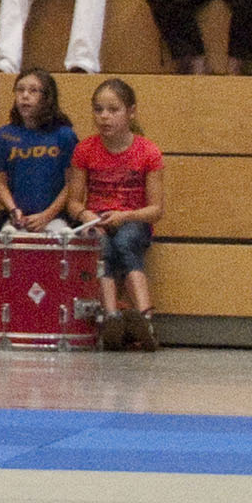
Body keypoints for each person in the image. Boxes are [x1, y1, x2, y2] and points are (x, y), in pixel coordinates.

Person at [67, 78, 164, 351]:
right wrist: (86, 214)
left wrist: (125, 216)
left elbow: (156, 210)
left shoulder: (148, 151)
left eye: (113, 110)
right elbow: (74, 202)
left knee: (125, 242)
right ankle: (111, 318)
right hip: (97, 221)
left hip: (132, 220)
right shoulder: (85, 149)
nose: (104, 117)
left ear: (130, 112)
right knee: (102, 246)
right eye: (99, 110)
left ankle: (145, 318)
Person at [0, 69, 78, 233]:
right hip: (18, 218)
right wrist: (14, 210)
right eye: (20, 90)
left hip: (55, 218)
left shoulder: (64, 135)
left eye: (33, 91)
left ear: (46, 97)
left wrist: (47, 215)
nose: (25, 96)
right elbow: (0, 182)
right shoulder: (3, 136)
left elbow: (71, 184)